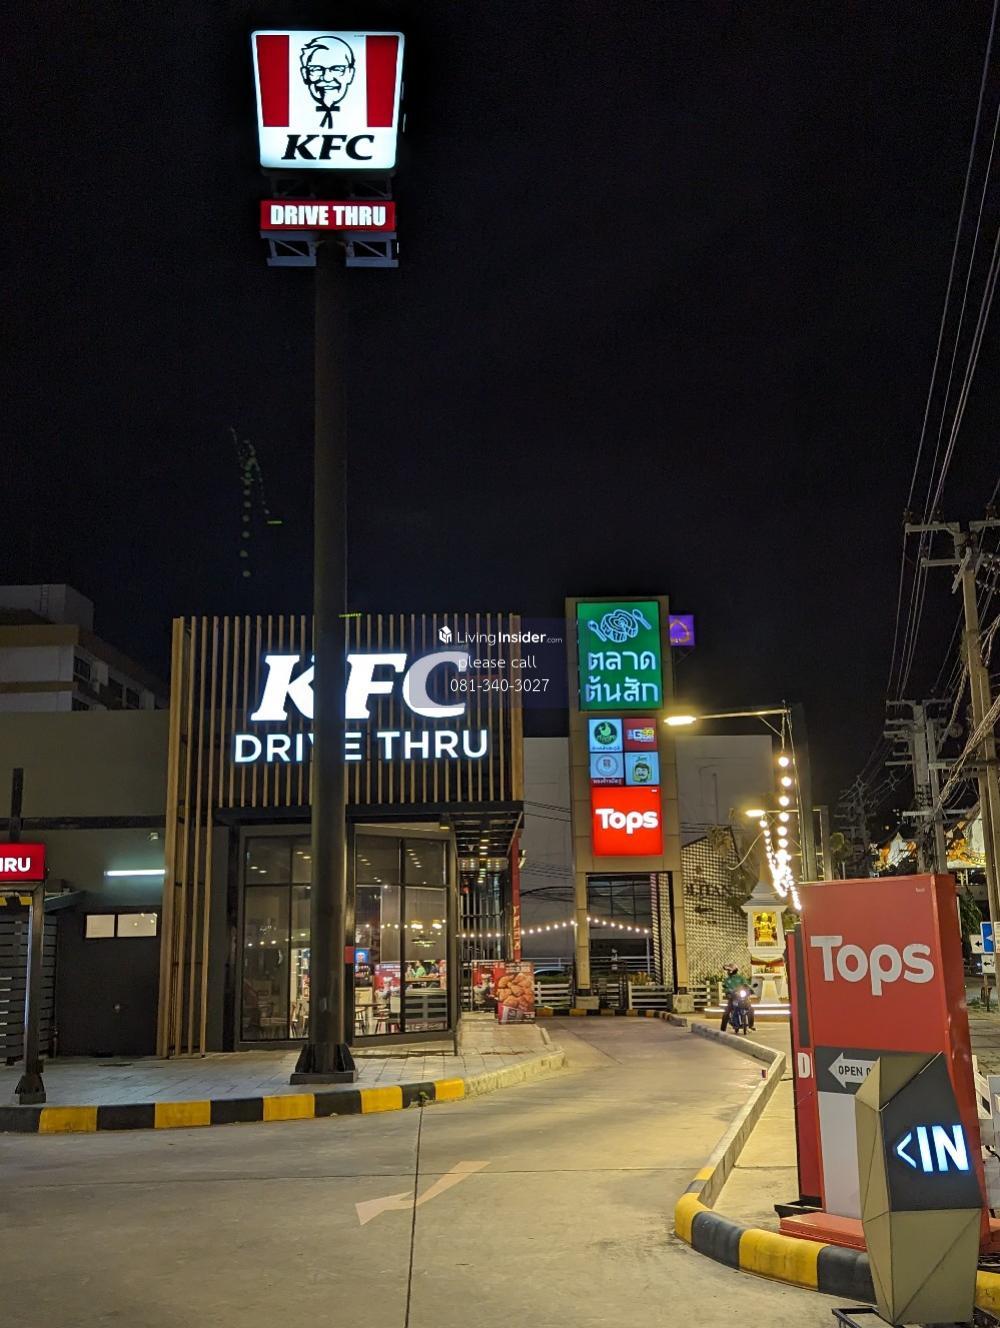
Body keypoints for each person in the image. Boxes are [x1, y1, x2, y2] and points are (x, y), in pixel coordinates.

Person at [720, 963, 755, 1032]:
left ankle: (751, 1026)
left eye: (729, 970)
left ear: (732, 970)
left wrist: (750, 990)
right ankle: (722, 1029)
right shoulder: (727, 980)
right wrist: (728, 992)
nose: (728, 972)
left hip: (742, 997)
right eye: (727, 970)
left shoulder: (741, 978)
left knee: (751, 1009)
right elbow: (726, 988)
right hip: (733, 997)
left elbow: (746, 984)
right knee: (726, 1012)